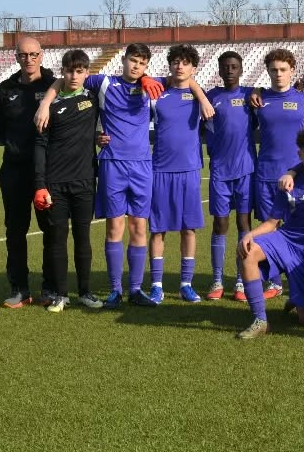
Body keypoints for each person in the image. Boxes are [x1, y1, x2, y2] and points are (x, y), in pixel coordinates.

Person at [35, 43, 206, 308]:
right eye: (132, 60)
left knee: (139, 227)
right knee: (115, 227)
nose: (136, 66)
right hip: (112, 164)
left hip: (142, 166)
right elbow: (67, 77)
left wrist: (202, 98)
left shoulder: (153, 86)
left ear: (147, 66)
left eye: (142, 63)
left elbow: (185, 79)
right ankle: (115, 290)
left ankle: (135, 289)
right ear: (123, 60)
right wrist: (46, 103)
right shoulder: (104, 83)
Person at [235, 127, 304, 339]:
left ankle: (298, 297)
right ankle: (260, 321)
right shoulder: (288, 184)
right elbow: (272, 222)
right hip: (286, 241)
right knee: (248, 251)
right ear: (300, 153)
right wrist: (250, 234)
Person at [32, 49, 102, 312]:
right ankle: (61, 295)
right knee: (57, 240)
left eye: (79, 71)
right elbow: (40, 146)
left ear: (86, 73)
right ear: (62, 72)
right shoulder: (49, 107)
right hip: (56, 184)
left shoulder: (93, 98)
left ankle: (85, 292)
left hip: (85, 181)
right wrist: (40, 184)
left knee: (83, 239)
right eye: (69, 71)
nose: (74, 76)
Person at [0, 35, 56, 307]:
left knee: (51, 230)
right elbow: (0, 128)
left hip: (47, 172)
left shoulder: (54, 85)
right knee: (15, 231)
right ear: (16, 57)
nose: (28, 59)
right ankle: (19, 289)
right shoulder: (5, 89)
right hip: (14, 171)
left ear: (41, 55)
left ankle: (51, 288)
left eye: (33, 54)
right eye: (23, 55)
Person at [148, 45, 214, 304]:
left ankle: (186, 284)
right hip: (160, 170)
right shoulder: (157, 92)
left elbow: (195, 89)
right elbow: (142, 81)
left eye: (185, 63)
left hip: (189, 170)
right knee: (158, 230)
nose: (179, 66)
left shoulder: (199, 95)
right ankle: (156, 285)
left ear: (193, 68)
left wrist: (202, 97)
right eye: (175, 62)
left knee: (189, 229)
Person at [250, 48, 304, 302]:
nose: (278, 74)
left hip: (297, 176)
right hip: (266, 174)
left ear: (292, 71)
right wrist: (254, 91)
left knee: (298, 229)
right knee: (268, 230)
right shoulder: (257, 100)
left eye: (283, 69)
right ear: (267, 71)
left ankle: (300, 278)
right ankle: (275, 282)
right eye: (274, 70)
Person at [203, 51, 256, 301]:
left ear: (241, 69)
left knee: (244, 223)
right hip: (220, 171)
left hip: (246, 170)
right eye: (225, 67)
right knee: (220, 224)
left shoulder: (250, 95)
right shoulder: (210, 97)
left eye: (234, 66)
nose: (230, 71)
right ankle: (217, 279)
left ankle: (241, 280)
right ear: (219, 70)